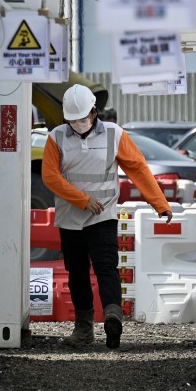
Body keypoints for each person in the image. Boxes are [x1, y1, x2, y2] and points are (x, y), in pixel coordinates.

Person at [41, 85, 172, 348]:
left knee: (106, 268)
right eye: (72, 120)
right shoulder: (56, 137)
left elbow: (138, 169)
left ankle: (113, 316)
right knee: (77, 273)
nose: (77, 123)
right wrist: (83, 200)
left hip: (103, 216)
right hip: (70, 218)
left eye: (82, 118)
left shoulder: (115, 134)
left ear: (94, 112)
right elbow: (49, 177)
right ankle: (84, 329)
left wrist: (160, 204)